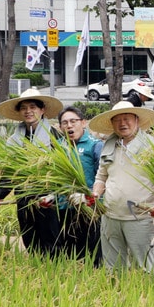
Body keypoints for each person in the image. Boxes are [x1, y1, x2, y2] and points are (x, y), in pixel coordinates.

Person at [0, 88, 65, 256]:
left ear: (42, 110)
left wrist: (52, 195)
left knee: (52, 245)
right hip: (24, 200)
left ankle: (55, 278)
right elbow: (10, 172)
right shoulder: (15, 139)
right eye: (24, 108)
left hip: (47, 201)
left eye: (33, 107)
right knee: (31, 243)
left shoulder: (54, 137)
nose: (28, 111)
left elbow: (63, 171)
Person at [88, 99, 154, 270]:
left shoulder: (152, 146)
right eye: (117, 119)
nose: (122, 123)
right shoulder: (109, 144)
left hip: (139, 217)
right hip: (110, 215)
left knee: (145, 267)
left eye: (127, 118)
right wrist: (95, 193)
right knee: (113, 268)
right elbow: (101, 176)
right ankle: (117, 295)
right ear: (112, 123)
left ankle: (149, 296)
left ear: (137, 120)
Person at [58, 106, 102, 263]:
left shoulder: (95, 145)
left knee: (93, 257)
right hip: (64, 210)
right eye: (64, 123)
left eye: (73, 121)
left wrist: (88, 196)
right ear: (60, 127)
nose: (69, 126)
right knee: (70, 257)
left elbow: (103, 177)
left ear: (83, 123)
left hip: (90, 210)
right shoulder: (58, 147)